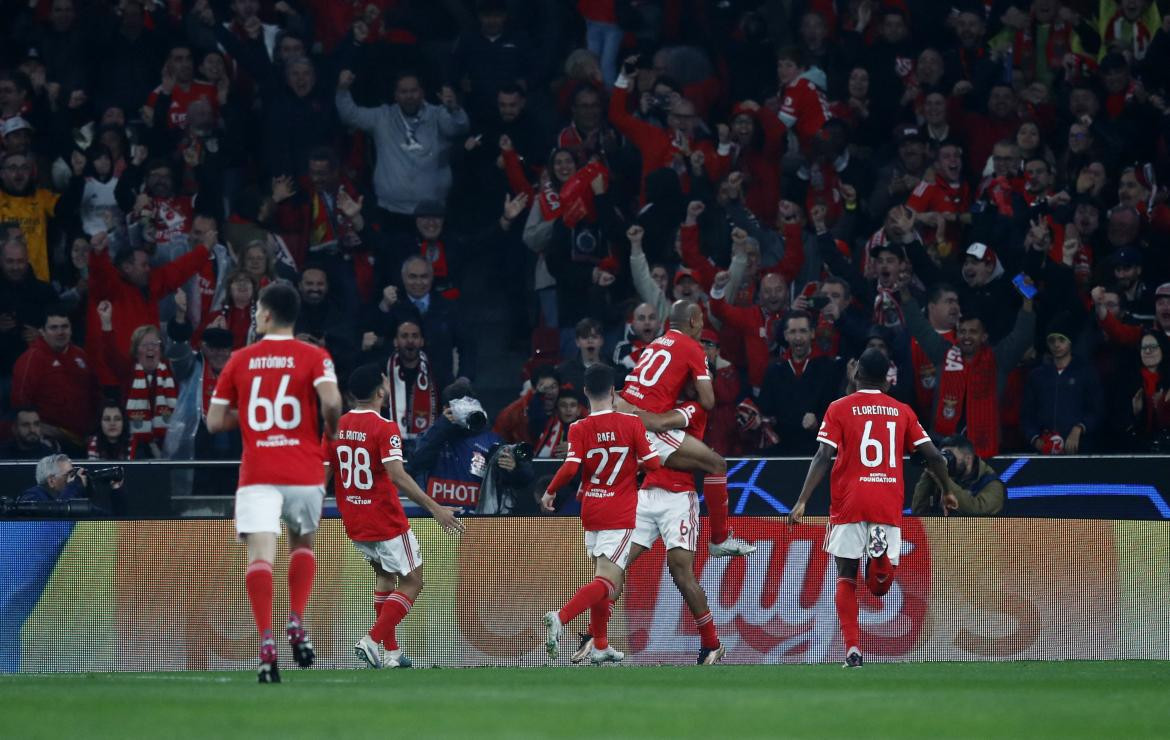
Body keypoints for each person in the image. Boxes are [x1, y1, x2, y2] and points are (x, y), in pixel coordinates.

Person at [205, 282, 343, 683]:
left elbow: (214, 422)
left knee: (261, 556)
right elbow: (332, 402)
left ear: (265, 315)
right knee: (302, 544)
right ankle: (296, 620)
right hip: (303, 471)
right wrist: (330, 433)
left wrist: (247, 418)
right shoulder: (315, 356)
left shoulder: (239, 360)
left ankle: (266, 640)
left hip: (258, 473)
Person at [788, 348, 956, 668]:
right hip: (886, 501)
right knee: (880, 589)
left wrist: (802, 500)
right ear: (888, 383)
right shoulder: (901, 411)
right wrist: (947, 490)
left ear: (856, 375)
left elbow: (824, 455)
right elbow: (934, 455)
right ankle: (878, 564)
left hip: (849, 503)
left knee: (845, 573)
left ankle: (852, 648)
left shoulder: (838, 408)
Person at [331, 364, 463, 669]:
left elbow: (326, 471)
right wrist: (436, 508)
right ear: (380, 390)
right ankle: (372, 640)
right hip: (385, 520)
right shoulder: (384, 427)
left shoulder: (337, 426)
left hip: (354, 519)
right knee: (413, 581)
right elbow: (397, 476)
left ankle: (391, 654)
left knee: (385, 576)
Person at [540, 364, 660, 664]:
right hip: (619, 512)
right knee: (609, 581)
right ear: (613, 392)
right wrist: (635, 464)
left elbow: (570, 468)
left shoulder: (578, 427)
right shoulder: (631, 424)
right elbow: (654, 463)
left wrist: (550, 490)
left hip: (591, 509)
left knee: (600, 579)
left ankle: (601, 644)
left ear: (584, 393)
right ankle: (561, 617)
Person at [615, 300, 755, 557]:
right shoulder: (692, 351)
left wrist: (624, 409)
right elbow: (706, 402)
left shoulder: (654, 344)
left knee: (666, 571)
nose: (702, 326)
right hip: (654, 449)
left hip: (634, 432)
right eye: (701, 319)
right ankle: (719, 538)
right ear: (693, 321)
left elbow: (630, 394)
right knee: (717, 464)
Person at [335, 69, 469, 231]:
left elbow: (459, 128)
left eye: (413, 91)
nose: (409, 96)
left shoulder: (438, 114)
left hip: (432, 210)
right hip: (391, 210)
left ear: (422, 92)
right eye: (403, 91)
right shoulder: (382, 117)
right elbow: (350, 115)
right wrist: (342, 89)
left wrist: (454, 109)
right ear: (395, 95)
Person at [10, 307, 98, 451]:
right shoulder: (31, 360)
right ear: (42, 332)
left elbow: (95, 394)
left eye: (65, 327)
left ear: (71, 329)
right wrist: (41, 428)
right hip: (50, 443)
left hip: (84, 439)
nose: (60, 332)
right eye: (54, 328)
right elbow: (20, 405)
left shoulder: (81, 355)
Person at [911, 435, 1005, 516]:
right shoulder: (941, 477)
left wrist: (942, 478)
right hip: (943, 534)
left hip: (980, 535)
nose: (946, 460)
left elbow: (976, 511)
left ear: (968, 459)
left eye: (950, 456)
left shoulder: (993, 485)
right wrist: (931, 470)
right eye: (944, 455)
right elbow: (918, 512)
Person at [17, 453, 91, 509]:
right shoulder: (31, 498)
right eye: (69, 474)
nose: (73, 478)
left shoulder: (70, 494)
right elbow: (56, 517)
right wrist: (72, 487)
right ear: (51, 481)